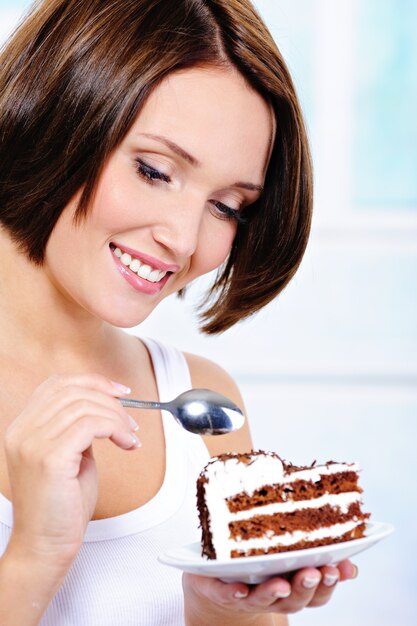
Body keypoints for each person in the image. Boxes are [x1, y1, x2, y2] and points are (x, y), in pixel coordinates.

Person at [0, 1, 358, 624]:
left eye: (227, 206)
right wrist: (36, 554)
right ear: (59, 117)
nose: (186, 240)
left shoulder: (200, 401)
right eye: (155, 171)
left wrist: (220, 607)